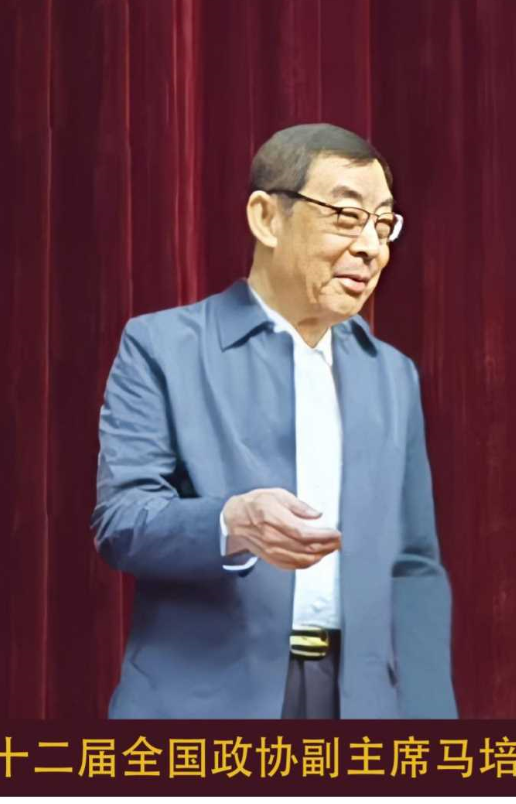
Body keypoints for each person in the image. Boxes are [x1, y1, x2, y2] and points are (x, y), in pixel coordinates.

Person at [92, 123, 456, 719]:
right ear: (266, 218)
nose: (371, 247)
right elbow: (122, 520)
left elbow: (414, 565)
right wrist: (230, 523)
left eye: (383, 223)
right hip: (206, 703)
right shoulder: (165, 347)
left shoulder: (392, 374)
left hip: (359, 702)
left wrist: (431, 714)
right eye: (347, 217)